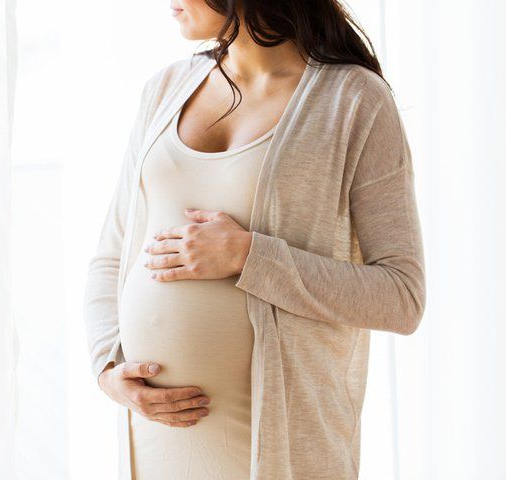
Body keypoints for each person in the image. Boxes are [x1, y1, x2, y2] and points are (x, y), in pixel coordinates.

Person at [83, 1, 426, 479]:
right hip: (157, 445)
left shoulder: (352, 100)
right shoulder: (163, 90)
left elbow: (401, 297)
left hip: (283, 453)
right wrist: (107, 369)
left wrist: (248, 256)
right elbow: (112, 255)